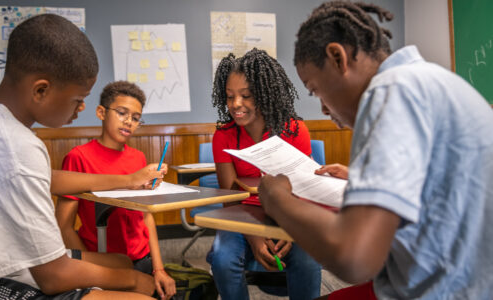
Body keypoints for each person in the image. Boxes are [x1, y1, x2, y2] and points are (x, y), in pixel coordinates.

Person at [258, 1, 493, 299]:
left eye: (315, 89)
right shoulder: (426, 79)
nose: (323, 107)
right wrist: (363, 177)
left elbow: (354, 257)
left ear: (337, 57)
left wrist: (276, 198)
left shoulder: (390, 92)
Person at [0, 14, 166, 299]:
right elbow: (54, 277)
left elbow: (46, 177)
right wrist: (131, 281)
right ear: (41, 90)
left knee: (120, 260)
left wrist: (128, 180)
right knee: (138, 290)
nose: (80, 108)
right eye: (77, 99)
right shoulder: (18, 149)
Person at [207, 48, 322, 300]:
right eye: (229, 97)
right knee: (223, 259)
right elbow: (230, 198)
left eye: (246, 96)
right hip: (241, 218)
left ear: (266, 94)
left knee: (308, 259)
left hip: (288, 214)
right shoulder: (223, 136)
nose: (236, 104)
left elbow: (302, 189)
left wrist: (291, 232)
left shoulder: (295, 130)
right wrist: (254, 237)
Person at [55, 81, 176, 299]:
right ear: (101, 112)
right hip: (102, 259)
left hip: (142, 258)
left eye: (136, 118)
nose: (129, 121)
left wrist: (159, 268)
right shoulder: (78, 157)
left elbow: (146, 217)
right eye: (122, 113)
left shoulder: (138, 158)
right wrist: (97, 268)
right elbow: (64, 227)